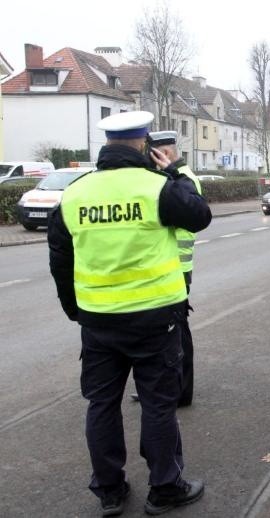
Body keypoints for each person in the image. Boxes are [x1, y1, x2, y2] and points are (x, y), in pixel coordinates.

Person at [48, 111, 211, 516]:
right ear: (144, 145)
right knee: (158, 405)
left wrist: (76, 310)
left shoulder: (75, 194)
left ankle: (110, 491)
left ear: (105, 146)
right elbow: (200, 215)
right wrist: (173, 170)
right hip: (156, 320)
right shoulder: (157, 187)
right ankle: (165, 488)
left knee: (101, 404)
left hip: (98, 321)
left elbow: (60, 261)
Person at [149, 130, 201, 408]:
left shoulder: (183, 179)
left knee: (178, 332)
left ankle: (181, 389)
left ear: (164, 154)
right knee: (167, 332)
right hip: (170, 267)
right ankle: (165, 384)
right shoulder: (170, 178)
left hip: (177, 267)